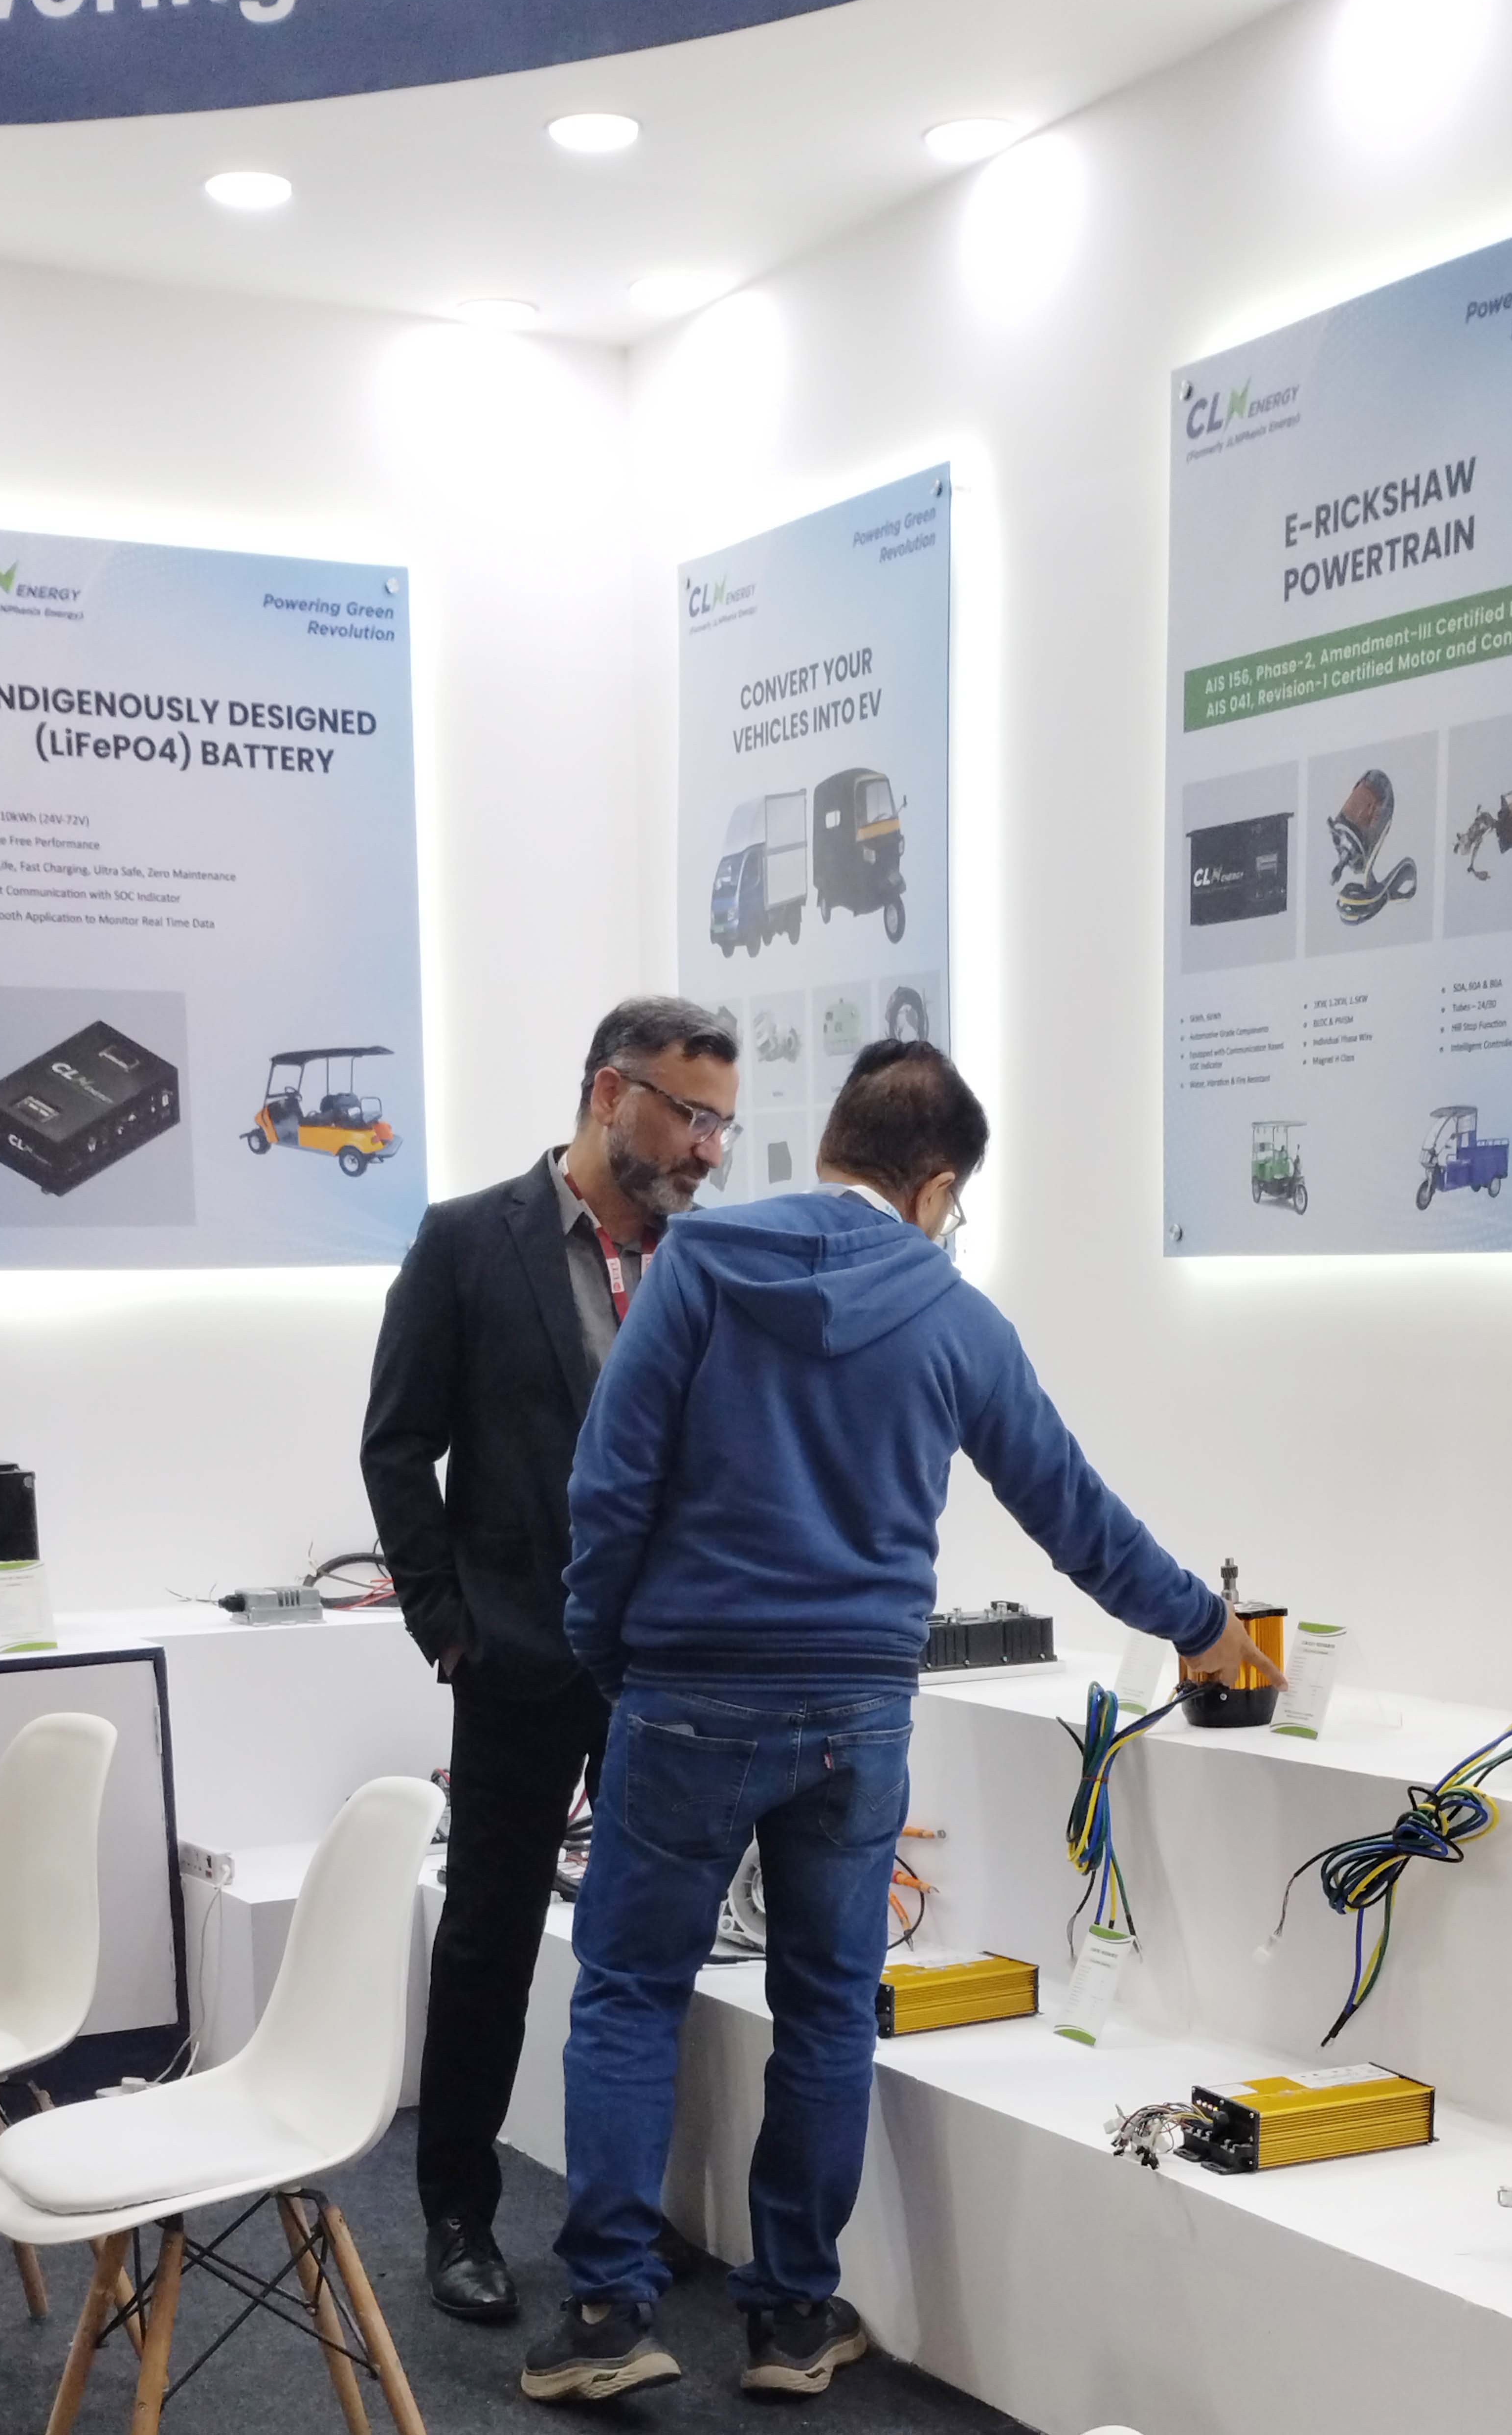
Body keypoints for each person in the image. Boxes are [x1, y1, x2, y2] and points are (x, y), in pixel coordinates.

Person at [526, 1040, 1267, 2404]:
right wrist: (1201, 1623)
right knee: (825, 2009)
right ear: (932, 1186)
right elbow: (1073, 1510)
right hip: (859, 1710)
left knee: (629, 1989)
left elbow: (609, 1480)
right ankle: (791, 2319)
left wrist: (607, 1646)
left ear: (835, 1142)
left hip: (688, 1689)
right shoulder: (954, 1316)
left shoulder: (698, 1264)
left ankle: (609, 2314)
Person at [362, 997, 742, 2324]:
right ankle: (457, 2210)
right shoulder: (470, 1240)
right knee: (490, 1938)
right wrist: (444, 1619)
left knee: (642, 1950)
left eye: (722, 1125)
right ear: (608, 1092)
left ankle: (617, 2209)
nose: (707, 1150)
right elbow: (397, 1442)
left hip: (668, 1667)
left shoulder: (706, 1260)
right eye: (689, 1116)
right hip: (519, 1653)